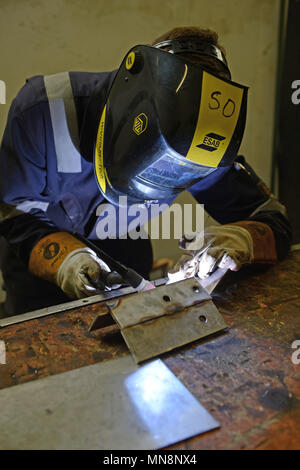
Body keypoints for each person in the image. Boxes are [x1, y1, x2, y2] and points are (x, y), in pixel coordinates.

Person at [0, 26, 291, 316]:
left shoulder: (202, 142)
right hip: (37, 257)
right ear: (131, 113)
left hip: (124, 249)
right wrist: (68, 261)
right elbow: (15, 215)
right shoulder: (43, 113)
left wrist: (238, 239)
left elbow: (270, 218)